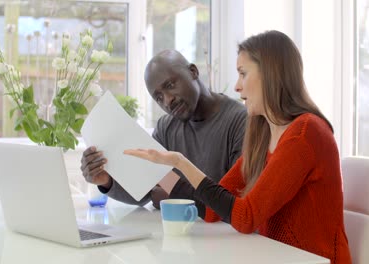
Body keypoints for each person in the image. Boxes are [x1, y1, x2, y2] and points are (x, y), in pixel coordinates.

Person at [124, 31, 352, 263]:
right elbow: (213, 210)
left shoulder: (306, 133)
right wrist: (164, 172)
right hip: (275, 257)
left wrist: (179, 163)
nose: (237, 86)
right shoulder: (264, 133)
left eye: (243, 74)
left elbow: (245, 217)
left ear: (271, 74)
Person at [81, 49, 247, 208]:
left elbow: (234, 200)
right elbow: (144, 190)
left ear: (193, 72)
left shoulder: (241, 121)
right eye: (158, 98)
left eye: (170, 85)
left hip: (223, 235)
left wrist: (176, 197)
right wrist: (106, 181)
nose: (168, 101)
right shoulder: (166, 128)